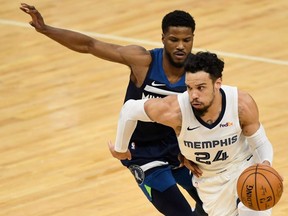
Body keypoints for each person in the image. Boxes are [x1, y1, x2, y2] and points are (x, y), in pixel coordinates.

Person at [20, 3, 207, 216]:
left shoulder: (199, 72)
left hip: (179, 149)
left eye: (186, 40)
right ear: (163, 38)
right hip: (143, 153)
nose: (180, 46)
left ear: (193, 38)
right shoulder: (142, 61)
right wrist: (45, 29)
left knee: (215, 204)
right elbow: (89, 45)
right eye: (174, 40)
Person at [109, 51, 275, 216]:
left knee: (253, 211)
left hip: (242, 170)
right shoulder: (176, 110)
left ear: (218, 83)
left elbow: (259, 142)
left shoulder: (240, 104)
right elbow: (129, 110)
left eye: (201, 88)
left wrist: (266, 164)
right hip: (210, 182)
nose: (194, 95)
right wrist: (121, 148)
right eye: (189, 88)